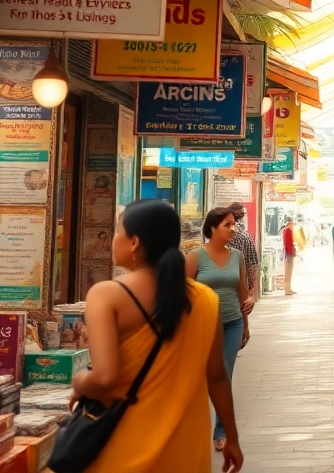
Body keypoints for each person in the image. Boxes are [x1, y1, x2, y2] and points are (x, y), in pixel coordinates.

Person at [72, 199, 242, 472]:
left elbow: (104, 379)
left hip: (125, 453)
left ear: (134, 242)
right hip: (187, 454)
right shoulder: (205, 299)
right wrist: (231, 437)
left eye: (118, 230)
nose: (113, 238)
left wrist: (79, 382)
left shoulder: (107, 295)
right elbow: (218, 377)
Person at [186, 207, 251, 453]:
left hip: (232, 323)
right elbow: (183, 294)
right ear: (212, 228)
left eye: (234, 224)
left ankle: (221, 430)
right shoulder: (195, 257)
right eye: (228, 224)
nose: (234, 229)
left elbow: (242, 292)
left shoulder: (237, 256)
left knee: (224, 375)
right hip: (202, 326)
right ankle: (191, 426)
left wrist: (246, 324)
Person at [226, 203, 259, 308]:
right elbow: (253, 265)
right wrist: (252, 292)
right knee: (241, 315)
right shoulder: (245, 236)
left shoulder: (218, 236)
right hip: (240, 285)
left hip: (221, 287)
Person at [280, 216, 297, 295]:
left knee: (289, 271)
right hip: (289, 253)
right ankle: (287, 289)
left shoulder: (285, 230)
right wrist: (291, 252)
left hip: (288, 252)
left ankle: (288, 288)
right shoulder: (288, 230)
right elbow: (288, 243)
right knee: (288, 272)